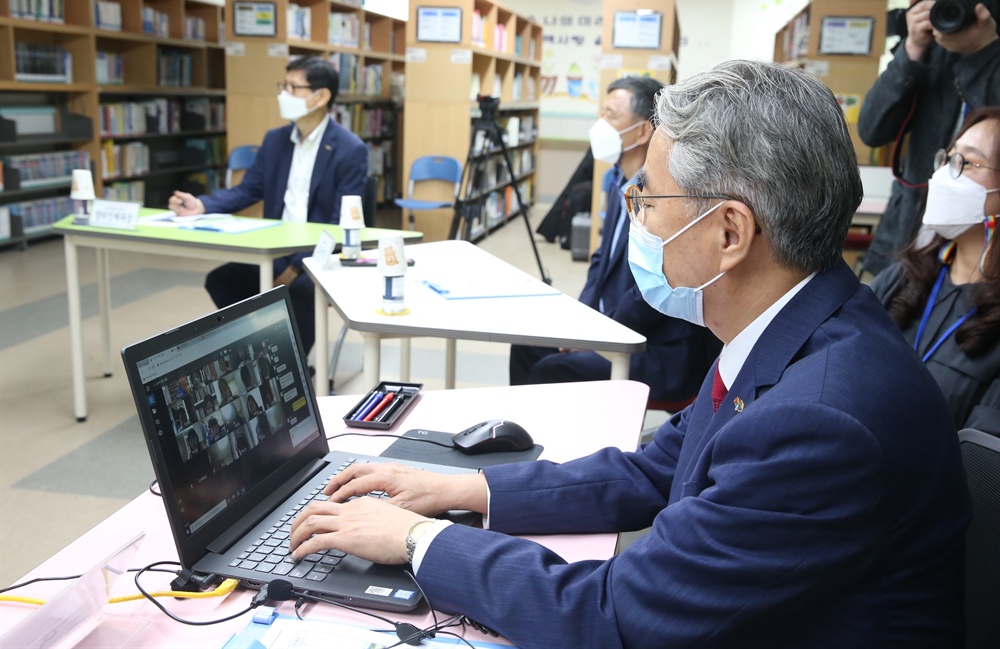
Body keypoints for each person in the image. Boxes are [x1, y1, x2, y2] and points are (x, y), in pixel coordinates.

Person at [289, 61, 970, 647]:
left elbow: (611, 619)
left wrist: (417, 540)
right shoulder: (794, 323)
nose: (634, 214)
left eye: (647, 197)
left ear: (730, 231)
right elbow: (651, 472)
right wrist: (462, 489)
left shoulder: (821, 420)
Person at [509, 77, 721, 402]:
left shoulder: (666, 198)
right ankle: (516, 443)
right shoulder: (616, 181)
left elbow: (654, 285)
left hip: (656, 346)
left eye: (611, 116)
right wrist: (582, 319)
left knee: (552, 370)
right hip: (610, 326)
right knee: (526, 346)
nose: (600, 125)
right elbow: (600, 260)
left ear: (642, 131)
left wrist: (599, 332)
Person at [168, 56, 369, 355]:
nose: (283, 95)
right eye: (283, 85)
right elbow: (248, 190)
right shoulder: (275, 140)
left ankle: (292, 364)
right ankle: (261, 350)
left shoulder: (350, 149)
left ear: (321, 96)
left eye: (293, 87)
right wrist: (202, 205)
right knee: (222, 281)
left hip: (322, 255)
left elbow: (338, 223)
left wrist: (295, 267)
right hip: (277, 249)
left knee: (302, 292)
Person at [871, 107, 1000, 433]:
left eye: (966, 163)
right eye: (948, 158)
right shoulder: (903, 278)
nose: (945, 174)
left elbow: (981, 460)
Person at [857, 0, 999, 276]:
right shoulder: (930, 49)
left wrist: (983, 52)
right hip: (905, 234)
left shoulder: (990, 48)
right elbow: (871, 130)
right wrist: (912, 50)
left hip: (984, 247)